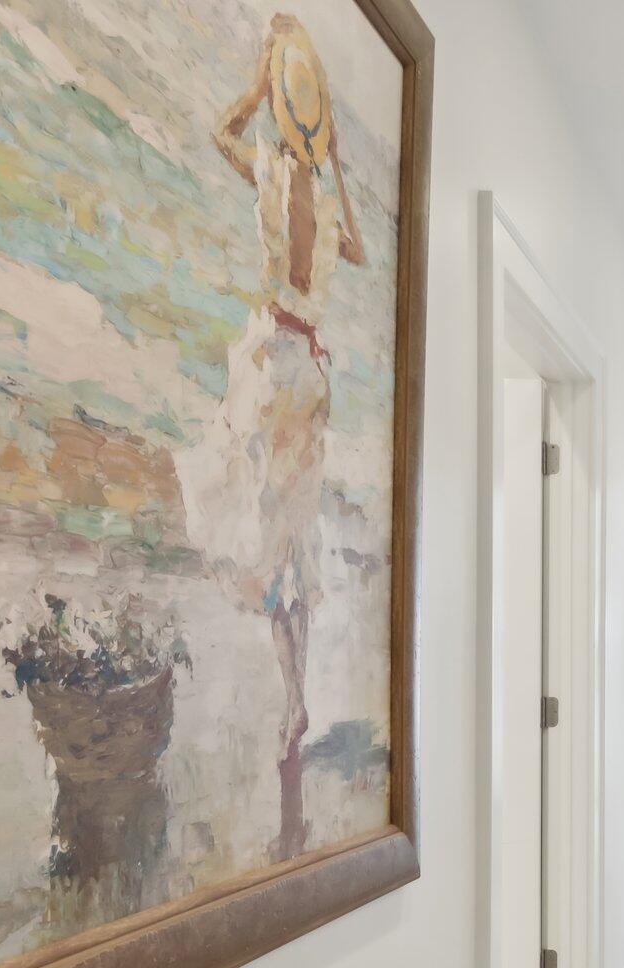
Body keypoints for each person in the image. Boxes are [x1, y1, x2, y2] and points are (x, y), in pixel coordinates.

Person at [179, 12, 365, 860]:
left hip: (276, 362)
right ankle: (295, 692)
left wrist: (255, 90)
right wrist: (338, 167)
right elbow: (357, 249)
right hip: (311, 374)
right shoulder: (323, 205)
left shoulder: (272, 172)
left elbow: (223, 132)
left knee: (259, 526)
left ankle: (288, 689)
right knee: (293, 539)